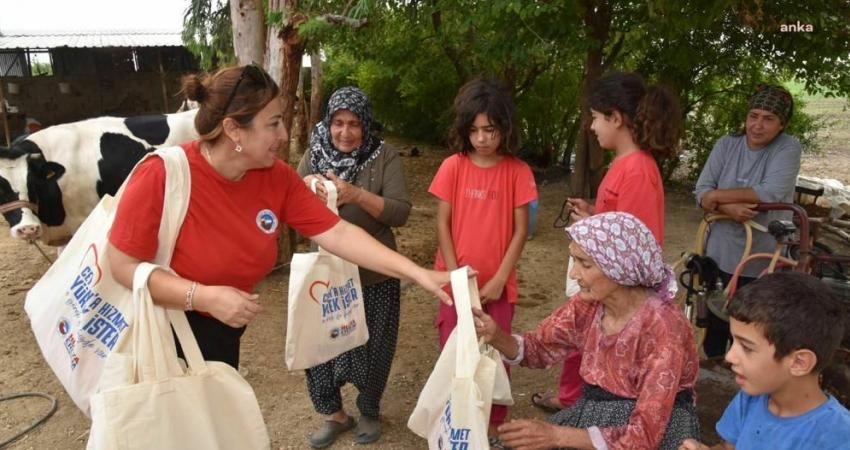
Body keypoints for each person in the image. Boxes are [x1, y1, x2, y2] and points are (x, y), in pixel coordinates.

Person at [106, 64, 451, 390]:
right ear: (233, 129)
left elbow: (339, 234)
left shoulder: (276, 177)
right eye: (273, 124)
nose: (285, 135)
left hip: (222, 333)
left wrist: (418, 274)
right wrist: (204, 296)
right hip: (161, 332)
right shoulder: (161, 174)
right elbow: (122, 266)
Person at [475, 212, 700, 450]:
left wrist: (556, 436)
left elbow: (644, 434)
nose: (573, 274)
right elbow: (539, 348)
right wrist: (496, 336)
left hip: (655, 433)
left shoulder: (664, 328)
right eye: (575, 261)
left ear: (619, 268)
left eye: (585, 264)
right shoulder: (588, 305)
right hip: (598, 415)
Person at [536, 72, 682, 413]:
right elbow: (619, 225)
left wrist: (591, 226)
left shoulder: (637, 171)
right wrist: (595, 216)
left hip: (614, 290)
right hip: (603, 283)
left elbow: (632, 247)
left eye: (597, 118)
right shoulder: (624, 166)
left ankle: (594, 414)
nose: (591, 126)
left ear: (616, 118)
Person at [296, 86, 410, 447]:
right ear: (328, 123)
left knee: (374, 346)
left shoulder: (384, 156)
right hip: (325, 277)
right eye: (338, 123)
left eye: (354, 124)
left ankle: (370, 409)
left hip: (374, 275)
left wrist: (356, 194)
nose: (345, 132)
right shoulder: (313, 155)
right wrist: (305, 191)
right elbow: (292, 210)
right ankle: (334, 415)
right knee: (319, 346)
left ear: (366, 125)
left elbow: (400, 212)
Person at [429, 78, 538, 435]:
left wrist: (499, 279)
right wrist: (456, 275)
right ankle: (458, 425)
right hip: (456, 286)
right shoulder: (453, 167)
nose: (482, 139)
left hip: (497, 288)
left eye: (490, 130)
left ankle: (491, 428)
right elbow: (442, 223)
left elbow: (521, 231)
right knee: (455, 355)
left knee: (495, 358)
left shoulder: (518, 171)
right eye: (474, 130)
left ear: (504, 128)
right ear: (464, 130)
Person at [679, 272, 850, 450]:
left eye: (747, 347)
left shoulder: (838, 436)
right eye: (734, 341)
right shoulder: (749, 399)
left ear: (799, 363)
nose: (729, 357)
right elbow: (728, 447)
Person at [694, 84, 802, 358]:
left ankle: (748, 390)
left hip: (763, 259)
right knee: (713, 328)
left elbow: (769, 193)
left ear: (782, 124)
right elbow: (700, 190)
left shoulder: (788, 148)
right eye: (754, 115)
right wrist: (728, 208)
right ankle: (716, 385)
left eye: (768, 119)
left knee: (753, 334)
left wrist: (716, 196)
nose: (758, 125)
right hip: (719, 255)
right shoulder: (726, 144)